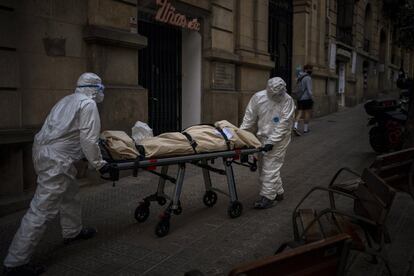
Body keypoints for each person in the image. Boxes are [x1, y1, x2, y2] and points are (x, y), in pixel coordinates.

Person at [3, 73, 111, 276]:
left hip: (44, 153)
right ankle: (15, 262)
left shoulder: (67, 100)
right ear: (94, 89)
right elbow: (89, 139)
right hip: (57, 160)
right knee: (42, 209)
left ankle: (73, 231)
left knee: (70, 194)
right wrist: (99, 164)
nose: (101, 93)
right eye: (100, 89)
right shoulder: (88, 104)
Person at [240, 77, 295, 209]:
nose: (277, 97)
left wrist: (272, 141)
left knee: (270, 166)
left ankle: (268, 197)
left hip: (280, 139)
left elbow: (284, 124)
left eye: (279, 94)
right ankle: (278, 192)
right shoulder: (258, 98)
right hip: (262, 138)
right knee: (265, 166)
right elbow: (248, 119)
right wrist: (241, 138)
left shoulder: (287, 101)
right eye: (274, 94)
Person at [293, 64, 314, 136]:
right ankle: (305, 129)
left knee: (299, 113)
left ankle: (295, 126)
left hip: (300, 98)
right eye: (310, 69)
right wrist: (312, 98)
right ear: (306, 69)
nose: (311, 70)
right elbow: (309, 90)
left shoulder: (299, 77)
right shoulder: (308, 78)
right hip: (307, 98)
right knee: (307, 113)